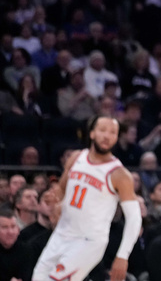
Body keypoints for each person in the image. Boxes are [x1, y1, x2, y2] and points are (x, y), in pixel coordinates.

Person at [31, 116, 142, 281]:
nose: (107, 136)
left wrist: (123, 255)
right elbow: (62, 189)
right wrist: (55, 200)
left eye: (113, 132)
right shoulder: (76, 157)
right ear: (91, 133)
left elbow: (134, 218)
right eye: (102, 130)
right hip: (62, 233)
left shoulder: (119, 174)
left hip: (89, 241)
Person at [0, 206, 33, 281]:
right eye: (5, 227)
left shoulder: (26, 250)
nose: (10, 232)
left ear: (18, 230)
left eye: (13, 227)